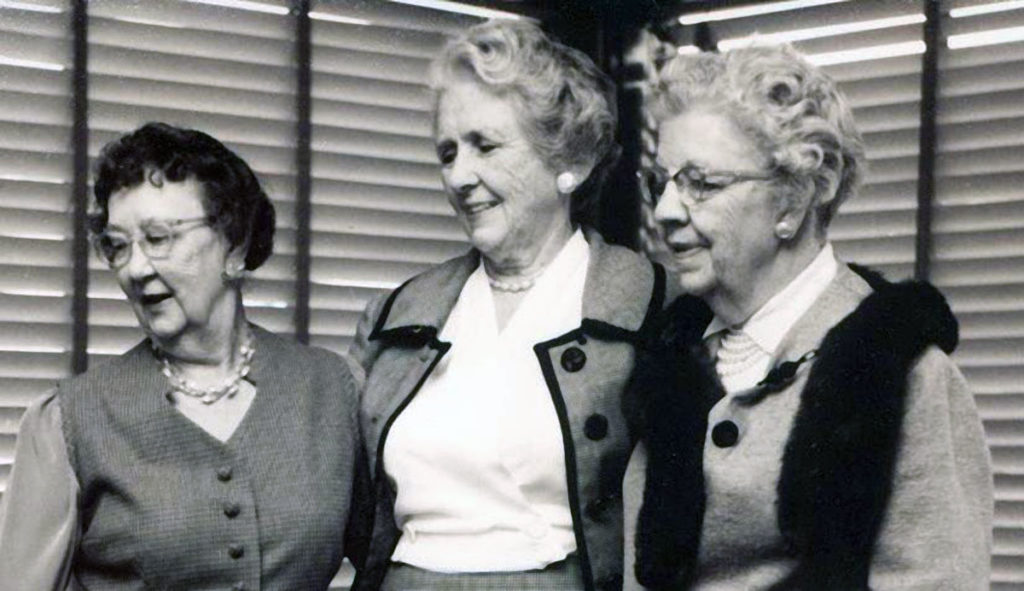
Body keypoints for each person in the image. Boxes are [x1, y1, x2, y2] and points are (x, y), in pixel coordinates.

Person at [622, 44, 993, 590]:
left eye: (700, 183)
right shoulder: (669, 356)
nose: (666, 212)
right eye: (662, 182)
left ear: (794, 201)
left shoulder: (908, 373)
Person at [349, 20, 664, 591]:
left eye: (485, 146)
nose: (459, 177)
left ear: (569, 158)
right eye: (447, 153)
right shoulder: (397, 316)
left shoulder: (650, 306)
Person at [0, 122, 367, 590]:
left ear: (233, 243)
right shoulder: (66, 423)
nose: (134, 268)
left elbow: (386, 563)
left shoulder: (334, 389)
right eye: (117, 246)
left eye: (158, 238)